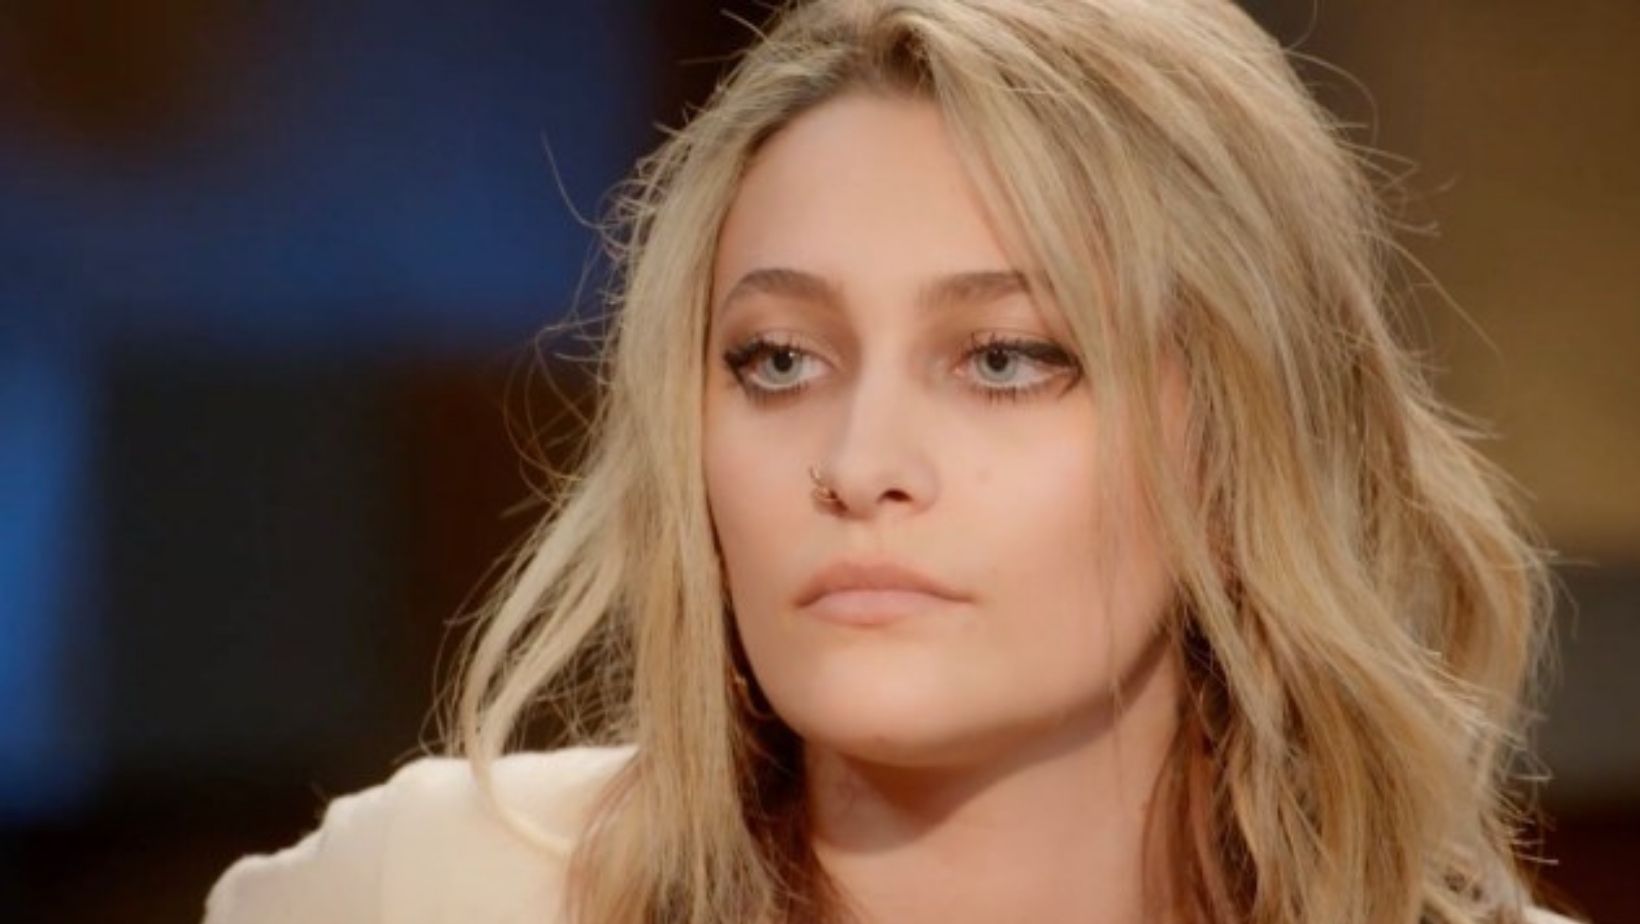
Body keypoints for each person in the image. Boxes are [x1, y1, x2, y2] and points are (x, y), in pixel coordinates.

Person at [201, 1, 1583, 922]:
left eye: (1005, 359)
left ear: (1246, 438)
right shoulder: (431, 892)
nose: (858, 466)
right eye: (778, 362)